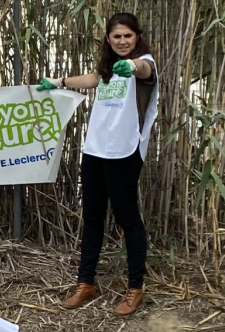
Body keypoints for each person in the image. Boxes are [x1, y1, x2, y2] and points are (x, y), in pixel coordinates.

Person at [37, 12, 159, 316]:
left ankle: (135, 287)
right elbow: (92, 79)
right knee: (91, 217)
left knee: (128, 219)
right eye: (116, 36)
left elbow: (143, 70)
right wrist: (58, 82)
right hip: (94, 151)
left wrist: (132, 65)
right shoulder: (107, 69)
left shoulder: (144, 64)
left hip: (124, 152)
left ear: (137, 37)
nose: (122, 41)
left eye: (127, 36)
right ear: (108, 39)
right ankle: (86, 283)